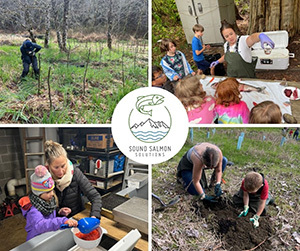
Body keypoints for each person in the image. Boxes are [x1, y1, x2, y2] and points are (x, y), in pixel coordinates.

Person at [44, 140, 102, 219]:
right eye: (56, 167)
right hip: (57, 220)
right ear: (49, 165)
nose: (61, 172)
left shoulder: (75, 173)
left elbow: (95, 196)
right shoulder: (45, 178)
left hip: (77, 216)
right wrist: (58, 210)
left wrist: (94, 216)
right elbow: (45, 206)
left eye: (63, 166)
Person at [19, 165, 78, 240]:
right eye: (47, 192)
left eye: (52, 190)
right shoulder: (33, 209)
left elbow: (49, 215)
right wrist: (62, 221)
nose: (52, 194)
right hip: (36, 239)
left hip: (46, 235)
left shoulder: (48, 201)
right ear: (38, 193)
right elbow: (40, 225)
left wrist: (59, 212)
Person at [210, 20, 275, 78]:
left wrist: (260, 36)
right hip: (232, 78)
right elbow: (226, 56)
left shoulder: (243, 41)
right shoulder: (226, 45)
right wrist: (217, 61)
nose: (230, 37)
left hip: (247, 78)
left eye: (231, 34)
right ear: (224, 38)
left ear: (234, 31)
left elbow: (252, 38)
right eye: (227, 36)